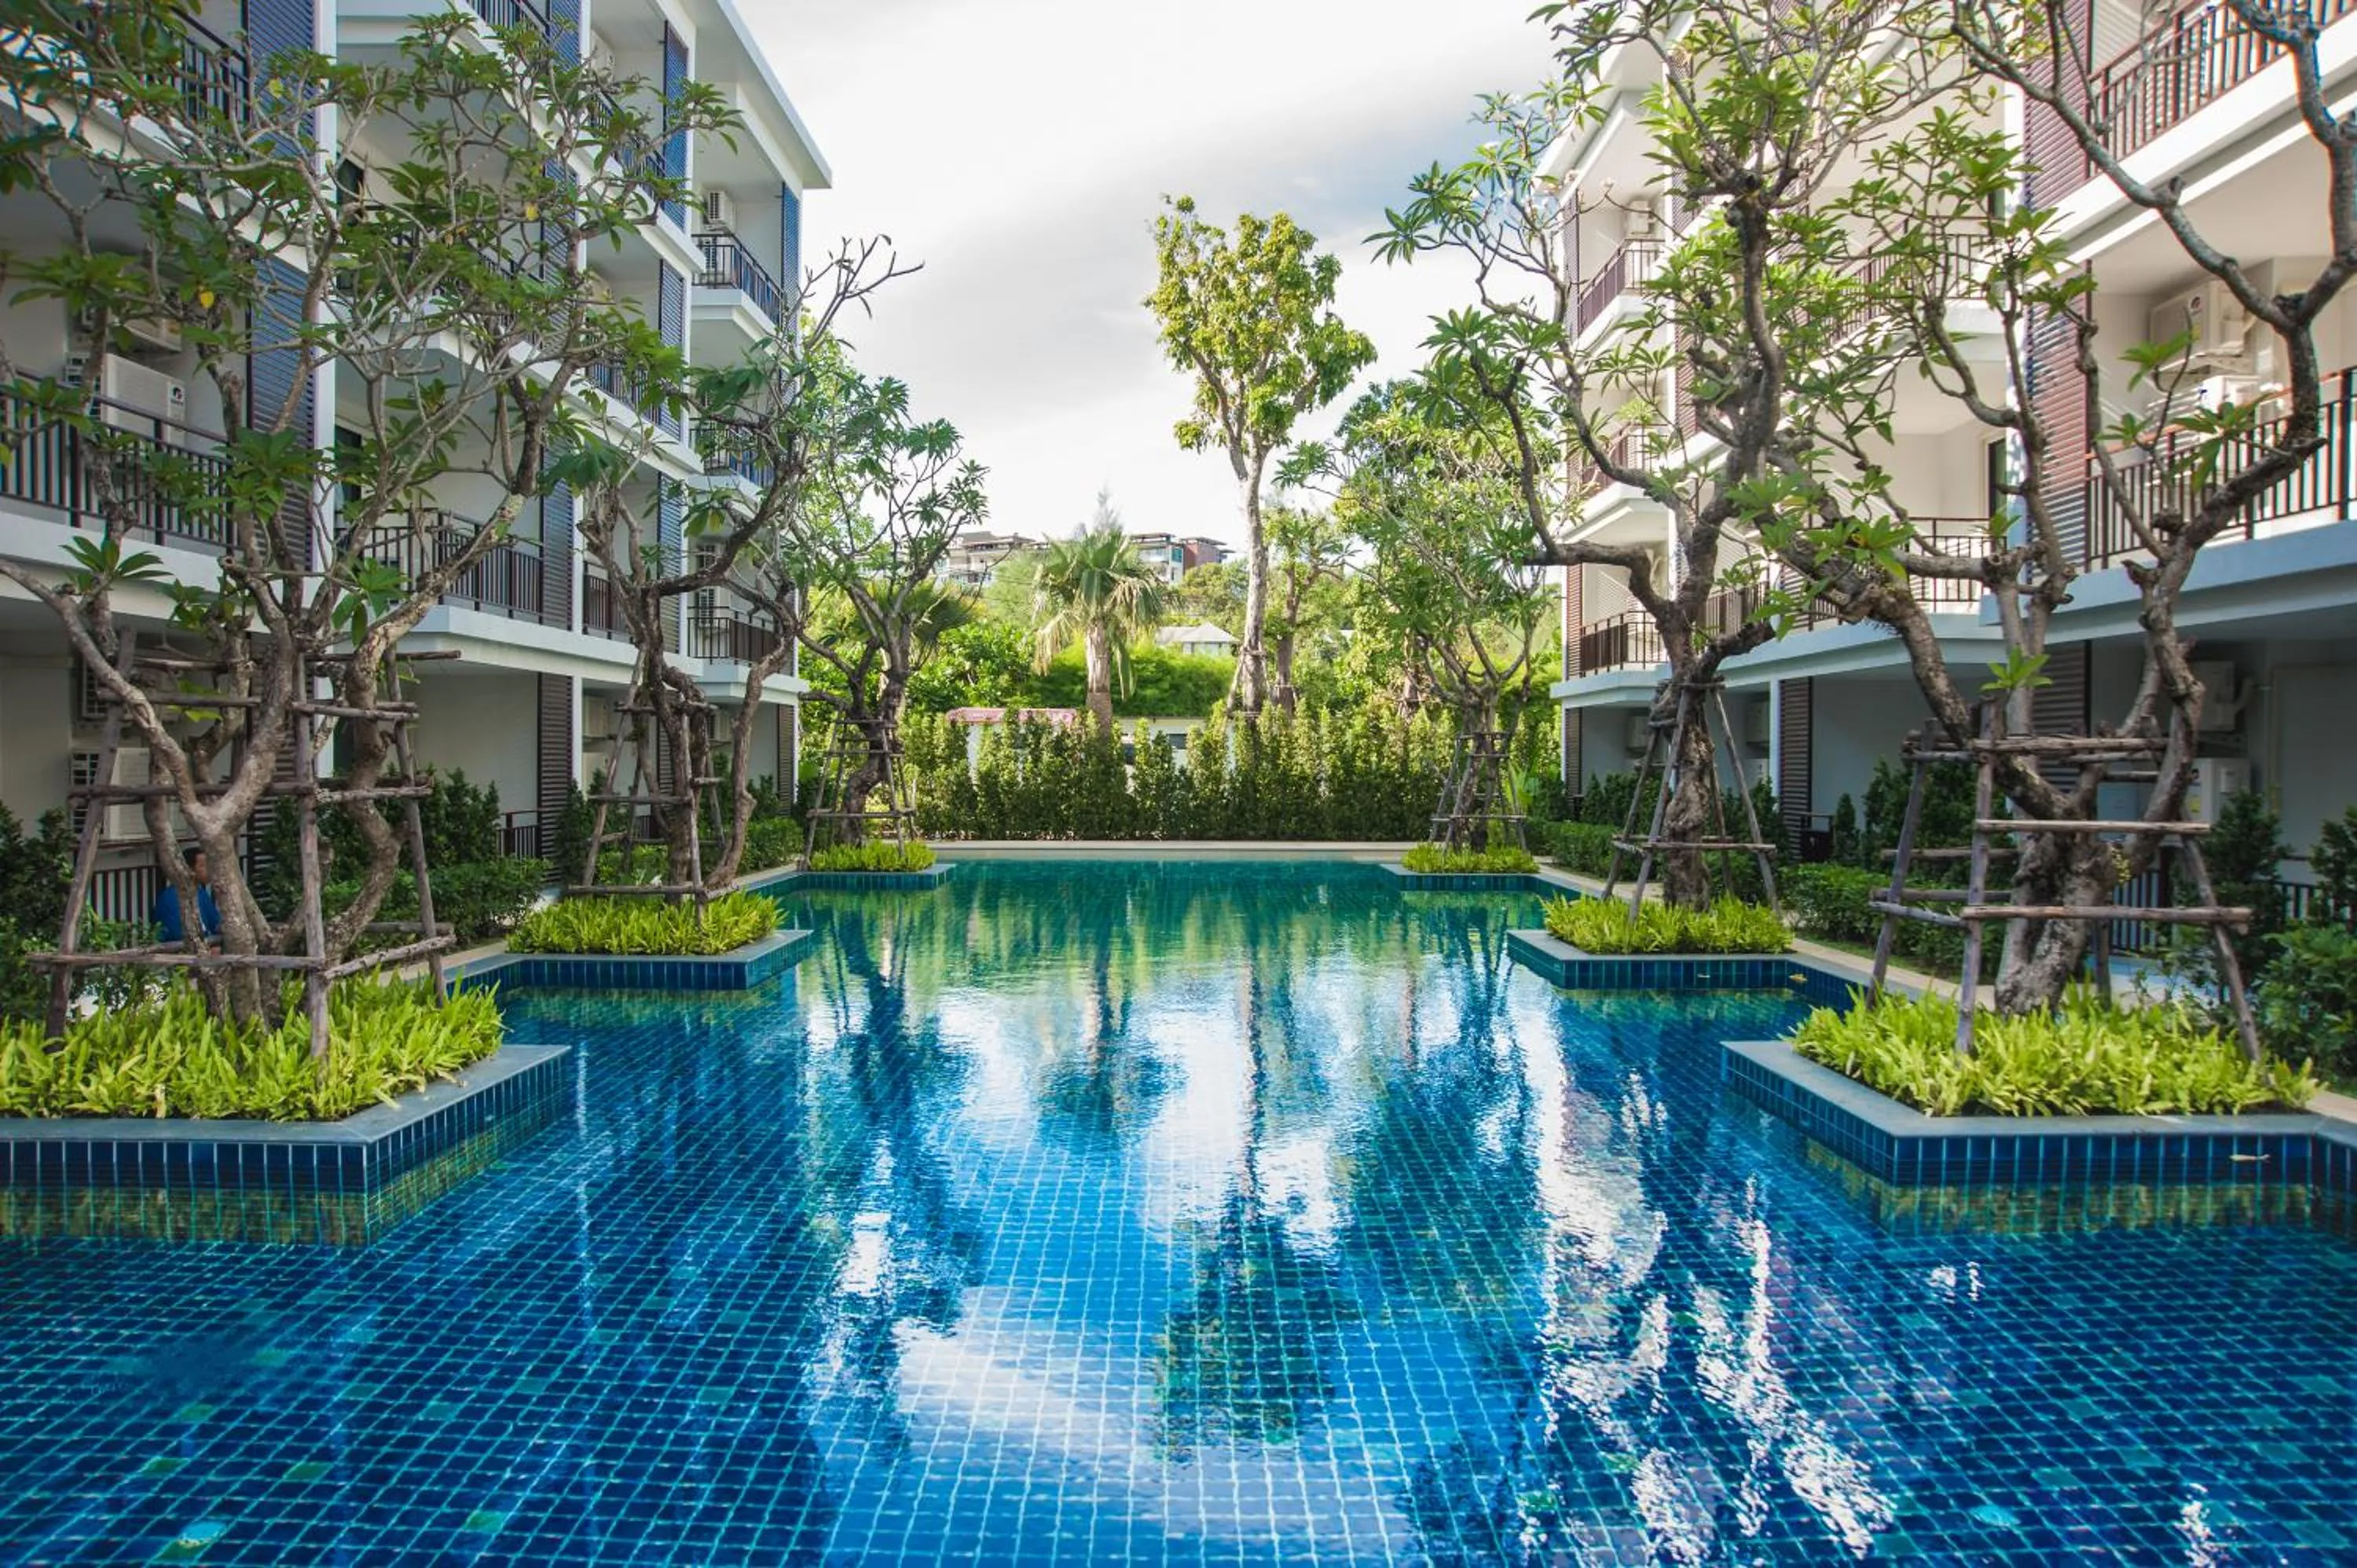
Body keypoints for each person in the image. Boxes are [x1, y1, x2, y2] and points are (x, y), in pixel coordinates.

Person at [153, 848, 222, 947]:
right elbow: (176, 933)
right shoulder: (171, 897)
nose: (209, 870)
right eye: (203, 866)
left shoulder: (201, 893)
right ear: (190, 870)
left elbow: (214, 923)